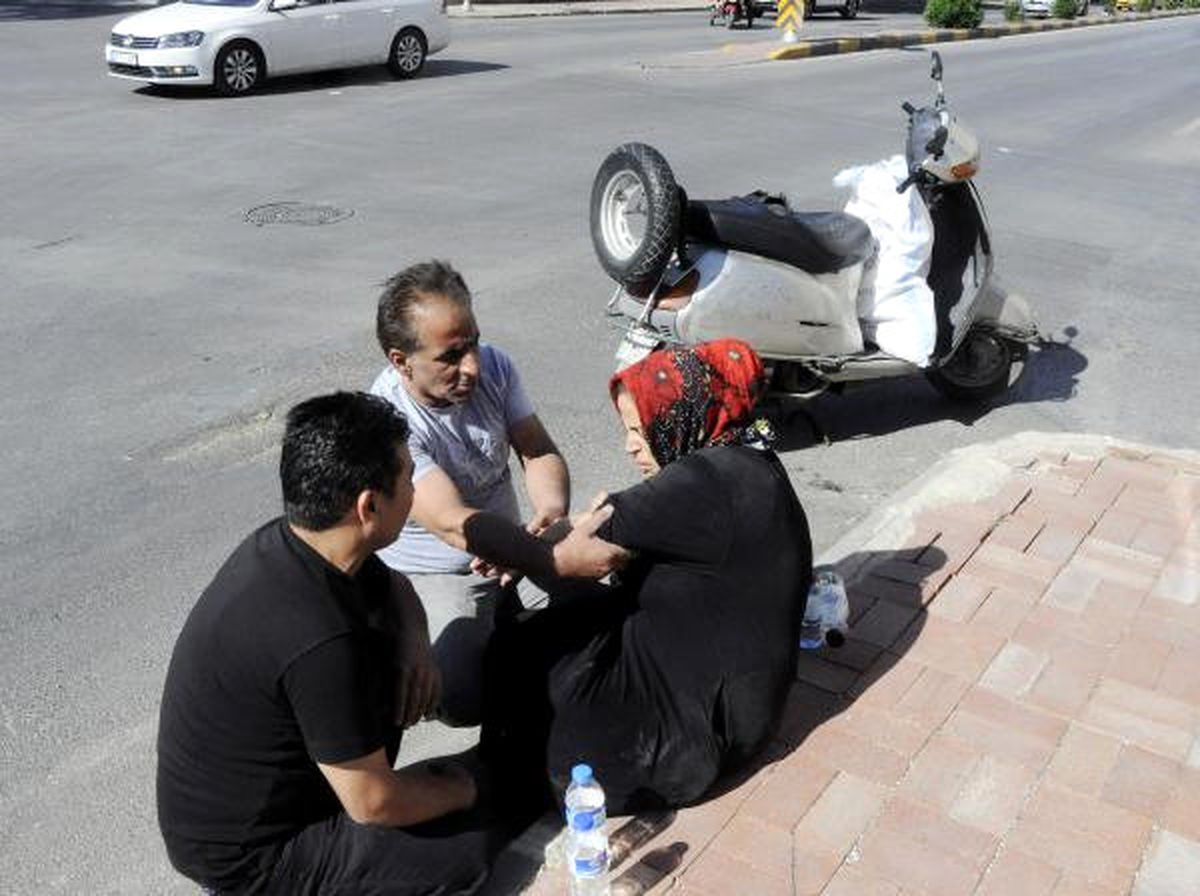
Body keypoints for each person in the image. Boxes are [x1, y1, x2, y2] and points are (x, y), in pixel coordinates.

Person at [157, 391, 589, 896]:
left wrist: (415, 646)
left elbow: (394, 585)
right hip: (254, 858)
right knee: (474, 846)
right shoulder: (318, 637)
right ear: (368, 506)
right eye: (407, 479)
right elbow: (374, 803)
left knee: (469, 782)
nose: (414, 491)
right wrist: (464, 791)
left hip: (286, 799)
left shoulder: (301, 542)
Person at [482, 339, 813, 815]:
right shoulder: (745, 457)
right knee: (556, 632)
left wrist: (518, 551)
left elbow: (588, 537)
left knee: (535, 705)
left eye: (639, 429)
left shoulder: (704, 482)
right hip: (738, 702)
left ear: (681, 415)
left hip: (698, 732)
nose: (630, 444)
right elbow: (611, 523)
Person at [370, 260, 609, 726]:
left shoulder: (496, 367)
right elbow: (453, 523)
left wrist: (550, 512)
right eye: (451, 356)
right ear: (401, 361)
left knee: (605, 614)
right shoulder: (388, 421)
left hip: (511, 547)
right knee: (461, 698)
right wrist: (538, 555)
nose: (473, 367)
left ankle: (513, 636)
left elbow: (537, 450)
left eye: (474, 343)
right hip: (439, 573)